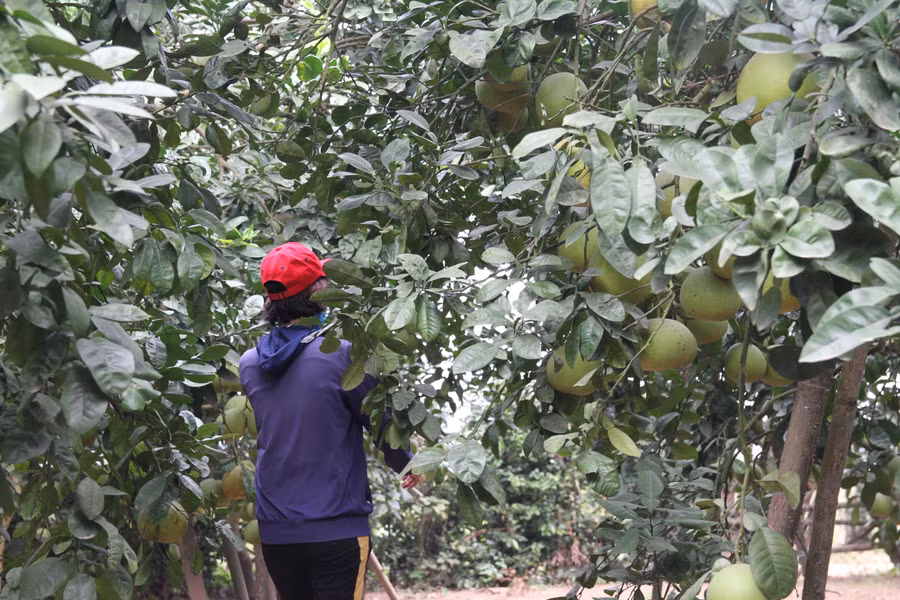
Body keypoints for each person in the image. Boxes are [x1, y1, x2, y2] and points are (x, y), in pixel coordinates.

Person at [239, 242, 421, 600]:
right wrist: (407, 464)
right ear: (319, 292)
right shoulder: (342, 355)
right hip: (334, 529)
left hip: (276, 531)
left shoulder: (249, 362)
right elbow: (380, 421)